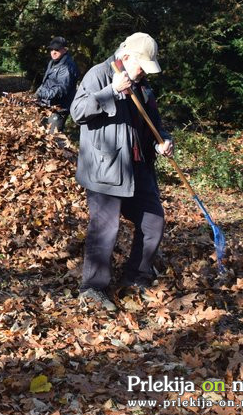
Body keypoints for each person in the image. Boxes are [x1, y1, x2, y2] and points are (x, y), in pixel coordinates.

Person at [70, 32, 174, 311]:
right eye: (141, 66)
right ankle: (93, 288)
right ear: (126, 57)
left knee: (153, 223)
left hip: (138, 169)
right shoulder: (99, 75)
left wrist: (162, 141)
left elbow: (154, 123)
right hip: (105, 169)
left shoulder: (143, 86)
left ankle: (136, 278)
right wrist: (112, 91)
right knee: (105, 228)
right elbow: (77, 112)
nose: (142, 73)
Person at [35, 36, 79, 133]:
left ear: (64, 50)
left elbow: (62, 89)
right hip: (47, 105)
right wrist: (39, 94)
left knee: (54, 138)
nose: (53, 52)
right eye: (52, 49)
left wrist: (42, 93)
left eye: (57, 50)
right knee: (43, 135)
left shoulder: (67, 67)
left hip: (59, 109)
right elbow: (47, 82)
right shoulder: (53, 62)